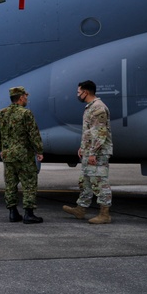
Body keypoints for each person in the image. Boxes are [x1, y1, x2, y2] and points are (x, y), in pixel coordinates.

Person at [63, 79, 114, 224]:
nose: (77, 94)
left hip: (97, 153)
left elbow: (99, 133)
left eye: (79, 92)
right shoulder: (90, 107)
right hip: (89, 150)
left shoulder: (98, 108)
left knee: (99, 182)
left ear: (86, 92)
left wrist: (93, 153)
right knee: (85, 181)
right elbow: (89, 132)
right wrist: (83, 148)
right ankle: (80, 209)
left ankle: (105, 214)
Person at [0, 86, 45, 224]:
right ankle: (28, 214)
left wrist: (2, 148)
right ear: (21, 97)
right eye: (25, 96)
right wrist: (39, 150)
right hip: (24, 155)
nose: (27, 98)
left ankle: (13, 213)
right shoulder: (25, 113)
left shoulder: (2, 113)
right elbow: (33, 134)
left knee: (10, 184)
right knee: (29, 183)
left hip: (8, 155)